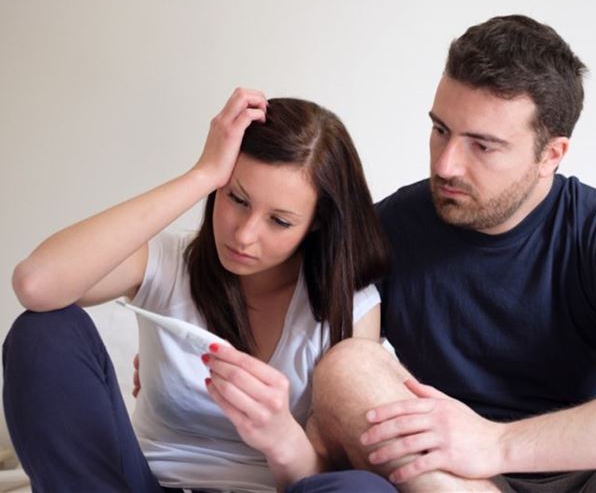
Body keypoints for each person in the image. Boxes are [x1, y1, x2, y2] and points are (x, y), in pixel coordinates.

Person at [308, 15, 596, 492]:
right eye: (441, 130)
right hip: (453, 478)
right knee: (346, 366)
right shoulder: (387, 227)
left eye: (482, 146)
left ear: (551, 155)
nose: (445, 164)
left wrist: (498, 443)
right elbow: (335, 388)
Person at [4, 88, 396, 493]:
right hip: (143, 485)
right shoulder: (168, 262)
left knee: (365, 490)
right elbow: (35, 283)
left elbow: (337, 473)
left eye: (279, 221)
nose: (244, 235)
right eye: (237, 198)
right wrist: (203, 173)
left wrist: (281, 436)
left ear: (316, 223)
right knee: (43, 333)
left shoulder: (350, 306)